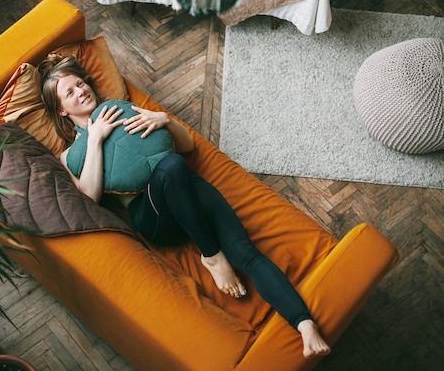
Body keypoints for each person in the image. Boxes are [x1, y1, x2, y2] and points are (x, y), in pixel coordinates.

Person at [38, 55, 331, 358]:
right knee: (173, 166)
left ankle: (305, 325)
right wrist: (95, 138)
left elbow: (186, 146)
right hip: (154, 216)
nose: (81, 91)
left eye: (80, 83)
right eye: (69, 92)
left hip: (185, 188)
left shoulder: (124, 109)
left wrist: (164, 120)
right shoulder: (70, 155)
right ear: (61, 109)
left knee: (247, 253)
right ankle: (212, 256)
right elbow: (89, 197)